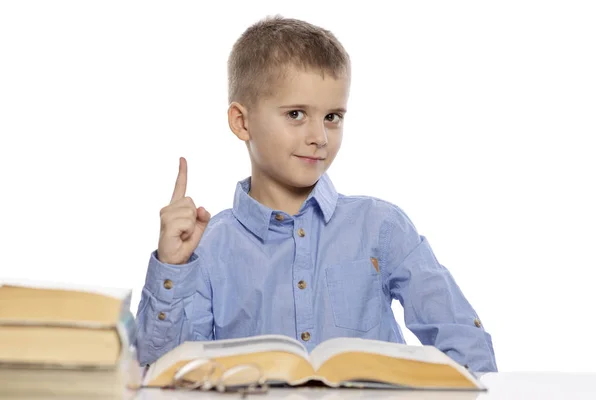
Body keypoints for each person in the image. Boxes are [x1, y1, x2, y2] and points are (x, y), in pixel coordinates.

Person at [134, 15, 497, 372]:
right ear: (241, 122)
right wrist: (172, 267)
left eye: (332, 117)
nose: (319, 137)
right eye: (296, 114)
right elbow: (163, 374)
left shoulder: (382, 228)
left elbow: (465, 344)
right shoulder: (208, 248)